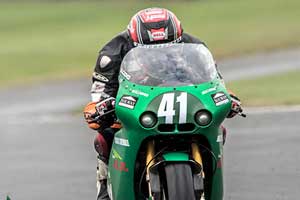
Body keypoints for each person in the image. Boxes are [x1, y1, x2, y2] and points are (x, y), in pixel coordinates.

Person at [83, 7, 242, 200]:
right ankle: (104, 185)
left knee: (218, 128)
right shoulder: (112, 53)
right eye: (150, 50)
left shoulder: (195, 47)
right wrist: (101, 106)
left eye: (168, 46)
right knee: (105, 136)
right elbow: (102, 90)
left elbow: (212, 79)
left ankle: (208, 179)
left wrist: (226, 96)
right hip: (138, 105)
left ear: (178, 39)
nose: (159, 53)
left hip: (183, 102)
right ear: (135, 41)